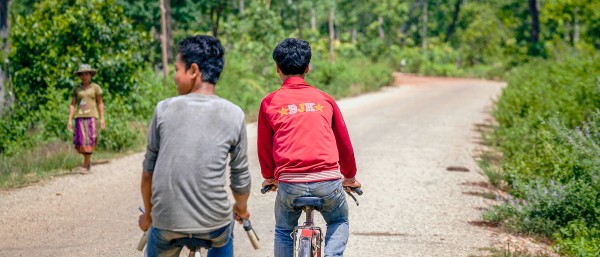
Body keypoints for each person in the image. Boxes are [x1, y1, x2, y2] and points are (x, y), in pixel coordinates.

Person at [138, 35, 251, 257]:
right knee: (224, 231)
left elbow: (148, 174)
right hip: (214, 224)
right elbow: (240, 179)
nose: (174, 76)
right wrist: (242, 209)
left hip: (167, 222)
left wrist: (148, 216)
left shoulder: (164, 109)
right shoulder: (234, 114)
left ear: (193, 70)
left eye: (176, 69)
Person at [257, 38, 362, 257]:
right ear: (308, 67)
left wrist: (270, 177)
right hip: (328, 183)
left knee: (284, 230)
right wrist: (350, 177)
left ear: (277, 68)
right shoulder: (324, 99)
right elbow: (344, 144)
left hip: (290, 185)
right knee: (339, 220)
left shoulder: (270, 102)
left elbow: (264, 147)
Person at [67, 64, 105, 174]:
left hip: (91, 117)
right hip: (79, 117)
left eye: (87, 74)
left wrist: (102, 118)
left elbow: (100, 103)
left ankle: (85, 166)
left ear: (91, 75)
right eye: (82, 74)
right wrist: (70, 119)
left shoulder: (95, 88)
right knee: (81, 143)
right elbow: (73, 104)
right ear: (80, 76)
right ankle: (87, 162)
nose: (84, 76)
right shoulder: (77, 89)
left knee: (90, 140)